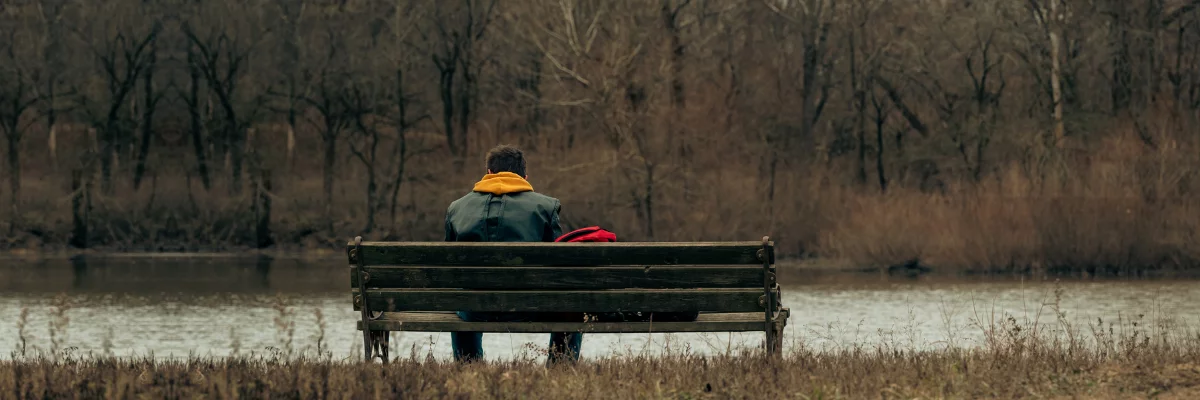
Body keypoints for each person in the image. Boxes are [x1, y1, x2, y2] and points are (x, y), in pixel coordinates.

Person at [444, 144, 583, 364]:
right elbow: (558, 266)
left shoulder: (457, 208)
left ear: (488, 174)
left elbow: (449, 268)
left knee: (466, 297)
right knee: (571, 306)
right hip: (529, 306)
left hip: (474, 309)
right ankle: (562, 369)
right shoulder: (545, 207)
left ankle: (468, 367)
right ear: (524, 177)